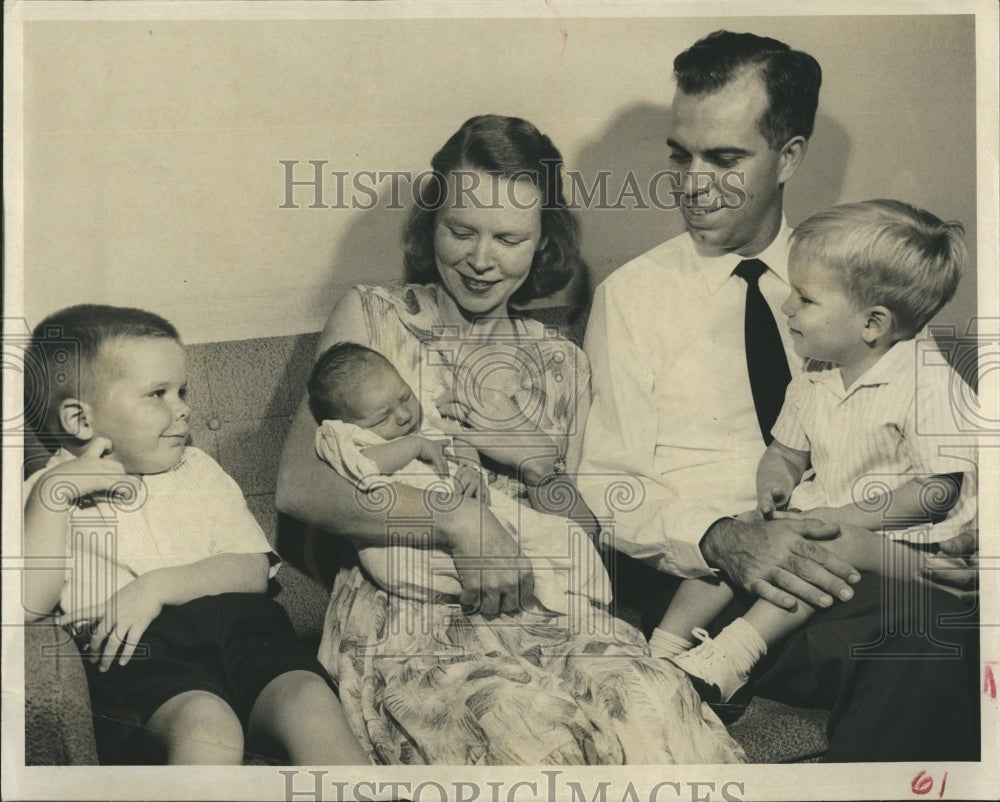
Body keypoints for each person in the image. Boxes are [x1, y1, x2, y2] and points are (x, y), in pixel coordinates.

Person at [276, 114, 744, 764]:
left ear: (543, 241)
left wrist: (542, 470)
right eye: (460, 231)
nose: (479, 259)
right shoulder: (375, 318)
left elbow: (589, 543)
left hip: (549, 613)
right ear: (431, 224)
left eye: (508, 238)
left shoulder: (562, 363)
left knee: (656, 699)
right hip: (411, 628)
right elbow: (301, 483)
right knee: (532, 729)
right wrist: (457, 519)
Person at [578, 31, 980, 761]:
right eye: (681, 155)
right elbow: (603, 485)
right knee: (930, 638)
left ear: (789, 156)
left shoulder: (855, 282)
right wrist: (726, 538)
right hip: (718, 579)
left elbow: (937, 447)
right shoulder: (631, 299)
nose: (692, 183)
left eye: (725, 159)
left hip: (850, 548)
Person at [652, 199, 977, 702]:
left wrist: (844, 517)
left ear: (871, 324)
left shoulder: (928, 382)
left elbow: (937, 491)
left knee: (822, 549)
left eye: (804, 299)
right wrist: (774, 485)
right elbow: (784, 452)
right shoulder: (815, 374)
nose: (787, 308)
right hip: (832, 511)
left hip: (918, 543)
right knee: (738, 531)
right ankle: (661, 648)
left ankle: (735, 657)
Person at [22, 304, 369, 766]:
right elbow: (28, 601)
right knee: (207, 727)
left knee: (311, 705)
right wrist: (51, 497)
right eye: (158, 394)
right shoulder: (46, 495)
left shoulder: (197, 468)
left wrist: (156, 587)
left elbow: (251, 570)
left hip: (246, 635)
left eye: (181, 390)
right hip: (140, 656)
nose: (183, 408)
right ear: (80, 421)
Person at [307, 340, 611, 612]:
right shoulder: (348, 437)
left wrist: (471, 469)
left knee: (558, 537)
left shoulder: (428, 412)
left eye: (404, 397)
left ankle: (559, 589)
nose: (403, 416)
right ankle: (529, 592)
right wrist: (412, 446)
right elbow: (360, 466)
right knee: (399, 565)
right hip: (407, 530)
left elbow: (459, 437)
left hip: (482, 510)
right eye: (382, 417)